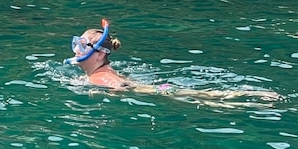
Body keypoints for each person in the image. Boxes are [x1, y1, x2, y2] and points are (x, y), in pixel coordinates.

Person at [67, 20, 281, 103]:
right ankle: (249, 96)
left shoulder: (99, 77)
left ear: (99, 54)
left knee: (206, 98)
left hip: (146, 91)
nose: (77, 50)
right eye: (77, 43)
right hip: (147, 87)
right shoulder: (104, 71)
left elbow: (117, 86)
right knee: (203, 96)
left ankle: (251, 97)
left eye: (83, 46)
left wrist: (97, 91)